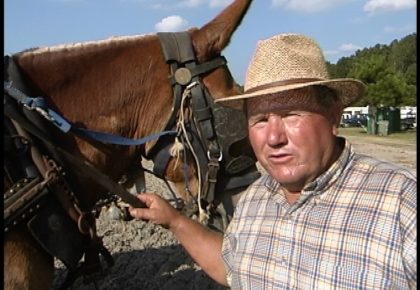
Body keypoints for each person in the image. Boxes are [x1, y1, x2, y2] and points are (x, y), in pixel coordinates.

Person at [129, 33, 417, 289]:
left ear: (334, 116)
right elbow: (232, 267)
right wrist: (175, 220)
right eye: (261, 119)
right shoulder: (256, 197)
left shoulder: (403, 202)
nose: (274, 137)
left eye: (292, 114)